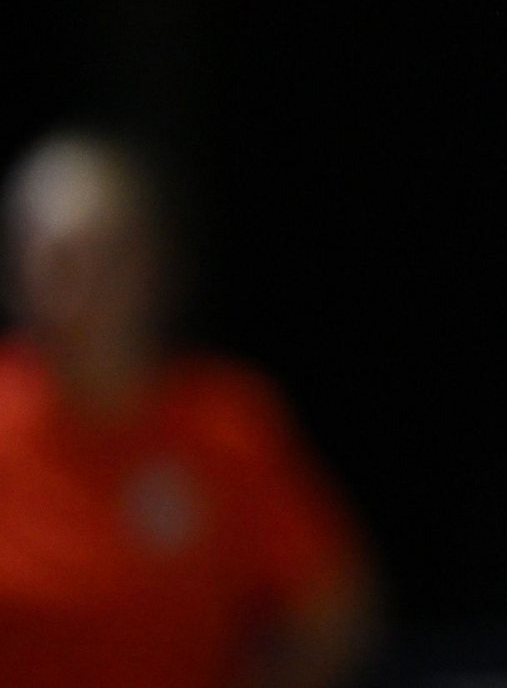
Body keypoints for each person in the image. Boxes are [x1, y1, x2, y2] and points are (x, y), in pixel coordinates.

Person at [0, 126, 380, 688]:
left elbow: (334, 612)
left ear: (156, 263)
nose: (88, 288)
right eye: (61, 258)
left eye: (110, 256)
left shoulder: (226, 422)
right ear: (18, 270)